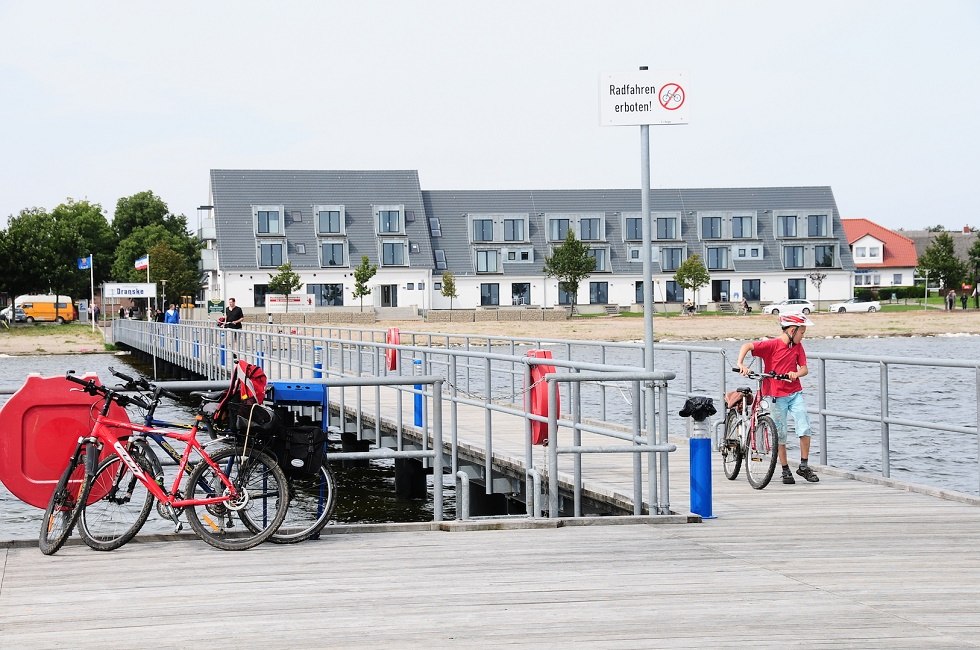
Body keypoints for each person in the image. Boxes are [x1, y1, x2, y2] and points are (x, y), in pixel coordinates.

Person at [736, 313, 819, 485]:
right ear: (792, 330)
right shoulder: (772, 344)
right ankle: (785, 469)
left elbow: (804, 369)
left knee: (804, 426)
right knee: (780, 433)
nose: (803, 336)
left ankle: (803, 466)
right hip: (775, 395)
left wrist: (796, 374)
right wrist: (741, 363)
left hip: (795, 393)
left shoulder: (797, 346)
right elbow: (748, 345)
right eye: (802, 333)